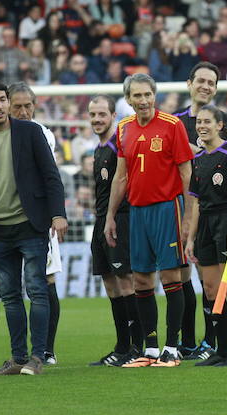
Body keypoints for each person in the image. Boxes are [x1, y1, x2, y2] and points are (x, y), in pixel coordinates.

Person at [0, 80, 67, 377]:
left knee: (36, 289)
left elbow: (51, 176)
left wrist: (58, 214)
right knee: (9, 296)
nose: (1, 106)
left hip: (31, 226)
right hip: (0, 231)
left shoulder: (31, 132)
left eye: (3, 100)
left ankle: (38, 357)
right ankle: (18, 358)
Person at [104, 73, 194, 368]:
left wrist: (188, 217)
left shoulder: (172, 125)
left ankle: (173, 346)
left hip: (167, 209)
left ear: (154, 96)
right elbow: (120, 176)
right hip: (137, 212)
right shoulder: (123, 129)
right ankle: (152, 347)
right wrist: (110, 216)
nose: (143, 101)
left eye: (147, 95)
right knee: (141, 279)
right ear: (128, 100)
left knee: (170, 276)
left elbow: (186, 174)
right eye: (137, 96)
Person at [172, 61, 227, 361]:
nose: (206, 86)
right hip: (179, 206)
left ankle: (211, 341)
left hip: (209, 210)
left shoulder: (222, 121)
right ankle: (187, 342)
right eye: (201, 80)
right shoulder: (174, 123)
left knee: (206, 278)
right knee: (180, 274)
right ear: (189, 83)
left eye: (211, 82)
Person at [183, 105, 227, 367]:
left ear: (220, 125)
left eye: (207, 121)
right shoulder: (198, 159)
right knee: (211, 289)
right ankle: (221, 351)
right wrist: (191, 238)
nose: (202, 125)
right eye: (199, 121)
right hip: (206, 227)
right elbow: (197, 202)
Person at [87, 95, 144, 367]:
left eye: (102, 114)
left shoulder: (118, 146)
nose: (97, 119)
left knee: (125, 281)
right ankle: (122, 346)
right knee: (110, 284)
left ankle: (136, 346)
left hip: (119, 220)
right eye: (93, 114)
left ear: (112, 116)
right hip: (100, 221)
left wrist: (111, 217)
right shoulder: (99, 149)